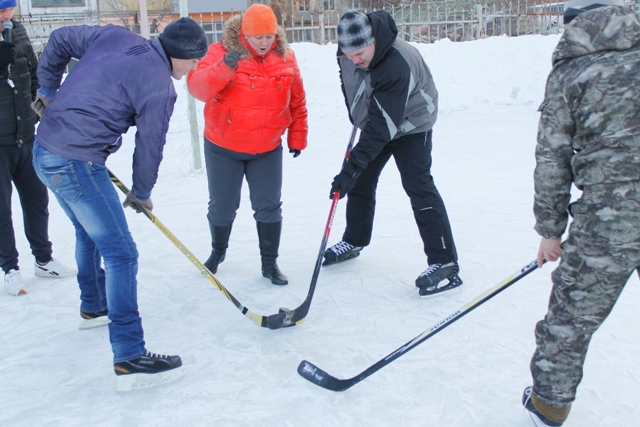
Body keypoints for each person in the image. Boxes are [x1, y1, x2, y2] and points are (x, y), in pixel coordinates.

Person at [31, 18, 208, 391]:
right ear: (179, 55)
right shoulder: (160, 87)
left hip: (44, 149)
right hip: (75, 162)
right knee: (122, 254)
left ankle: (94, 305)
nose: (195, 68)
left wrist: (48, 90)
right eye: (193, 61)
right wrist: (142, 192)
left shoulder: (115, 35)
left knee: (88, 231)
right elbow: (150, 146)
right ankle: (129, 355)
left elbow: (61, 38)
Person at [522, 1, 640, 425]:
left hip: (610, 219)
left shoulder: (570, 73)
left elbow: (552, 160)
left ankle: (549, 404)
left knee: (569, 321)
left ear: (572, 24)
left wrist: (551, 231)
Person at [324, 10, 460, 297]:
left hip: (413, 121)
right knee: (362, 180)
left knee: (418, 186)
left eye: (360, 53)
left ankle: (444, 262)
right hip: (380, 116)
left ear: (373, 41)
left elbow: (380, 131)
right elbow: (349, 78)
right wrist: (357, 113)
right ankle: (355, 239)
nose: (355, 59)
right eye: (350, 54)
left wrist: (348, 170)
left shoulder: (395, 63)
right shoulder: (349, 47)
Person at [187, 4, 308, 286]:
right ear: (244, 34)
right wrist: (225, 66)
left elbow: (298, 101)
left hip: (266, 149)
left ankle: (270, 264)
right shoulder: (219, 53)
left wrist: (297, 136)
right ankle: (217, 253)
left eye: (269, 36)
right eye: (258, 38)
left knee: (269, 207)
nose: (265, 43)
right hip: (223, 146)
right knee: (223, 207)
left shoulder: (286, 57)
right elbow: (197, 88)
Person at [0, 0, 75, 296]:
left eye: (10, 10)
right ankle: (9, 268)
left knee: (36, 200)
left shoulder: (16, 32)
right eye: (1, 10)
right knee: (2, 210)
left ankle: (43, 259)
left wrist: (42, 107)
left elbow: (34, 74)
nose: (7, 16)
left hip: (25, 135)